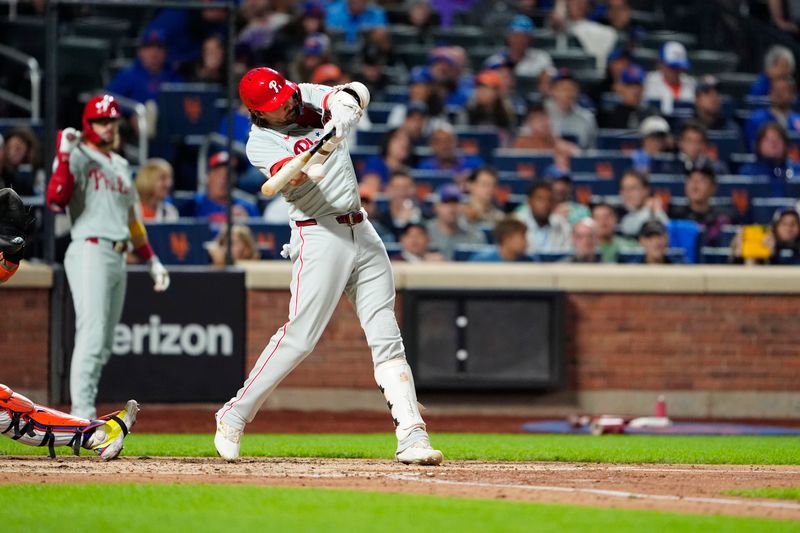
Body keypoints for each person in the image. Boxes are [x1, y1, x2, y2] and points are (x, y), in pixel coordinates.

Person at [215, 67, 443, 465]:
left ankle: (412, 434)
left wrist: (343, 111)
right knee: (300, 338)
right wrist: (312, 155)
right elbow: (293, 182)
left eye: (284, 96)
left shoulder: (301, 94)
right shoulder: (260, 144)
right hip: (318, 234)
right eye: (274, 105)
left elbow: (354, 92)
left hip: (362, 228)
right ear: (258, 113)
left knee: (386, 334)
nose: (285, 104)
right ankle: (233, 414)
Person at [45, 95, 171, 419]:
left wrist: (151, 258)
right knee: (92, 331)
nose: (108, 126)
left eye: (112, 121)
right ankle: (82, 414)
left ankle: (85, 411)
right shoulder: (77, 154)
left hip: (118, 253)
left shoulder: (119, 164)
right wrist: (63, 154)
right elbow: (56, 200)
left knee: (102, 342)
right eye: (102, 121)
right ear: (88, 125)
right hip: (89, 247)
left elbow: (132, 219)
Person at [106, 29, 183, 105]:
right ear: (140, 51)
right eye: (149, 47)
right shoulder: (128, 75)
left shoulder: (174, 77)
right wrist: (128, 115)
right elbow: (107, 101)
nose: (154, 54)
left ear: (166, 52)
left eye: (159, 47)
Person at [668, 163, 731, 247]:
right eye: (691, 179)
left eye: (702, 180)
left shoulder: (721, 218)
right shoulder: (674, 216)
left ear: (713, 187)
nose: (695, 185)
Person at [425, 183, 487, 260]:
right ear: (436, 207)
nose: (451, 208)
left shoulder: (475, 236)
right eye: (446, 203)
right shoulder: (424, 232)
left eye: (455, 203)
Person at [194, 151, 259, 223]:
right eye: (219, 174)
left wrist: (246, 224)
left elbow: (261, 231)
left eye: (228, 175)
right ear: (208, 176)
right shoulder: (194, 204)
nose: (224, 180)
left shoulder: (247, 207)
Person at [739, 122, 800, 197]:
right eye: (768, 139)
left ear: (785, 145)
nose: (774, 143)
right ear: (759, 145)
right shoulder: (747, 173)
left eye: (778, 139)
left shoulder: (797, 170)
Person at [485, 15, 553, 79]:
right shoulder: (496, 60)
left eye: (523, 37)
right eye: (516, 36)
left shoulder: (541, 58)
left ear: (530, 39)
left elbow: (551, 77)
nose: (519, 40)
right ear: (508, 37)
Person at [513, 181, 573, 255]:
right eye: (540, 199)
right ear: (529, 201)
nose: (545, 204)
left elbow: (567, 253)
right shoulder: (516, 223)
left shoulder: (562, 224)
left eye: (549, 199)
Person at [544, 68, 598, 149]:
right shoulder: (540, 114)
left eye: (571, 89)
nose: (567, 94)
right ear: (552, 91)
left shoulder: (587, 118)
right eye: (562, 89)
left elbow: (593, 150)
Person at [416, 123, 484, 186]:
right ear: (432, 145)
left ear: (456, 142)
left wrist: (469, 178)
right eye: (438, 142)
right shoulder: (424, 168)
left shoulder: (473, 164)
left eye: (448, 141)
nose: (444, 146)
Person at [744, 76, 800, 150]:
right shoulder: (756, 119)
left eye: (783, 90)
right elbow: (752, 148)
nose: (778, 94)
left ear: (793, 95)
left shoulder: (798, 119)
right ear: (769, 93)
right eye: (775, 90)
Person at [642, 41, 696, 114]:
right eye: (672, 67)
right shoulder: (648, 81)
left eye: (679, 67)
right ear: (661, 64)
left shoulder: (691, 83)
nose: (676, 71)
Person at [598, 64, 654, 130]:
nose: (635, 90)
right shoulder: (607, 116)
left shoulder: (651, 115)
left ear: (643, 88)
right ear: (619, 87)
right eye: (629, 85)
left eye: (638, 84)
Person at [617, 169, 669, 238]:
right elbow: (631, 228)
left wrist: (658, 211)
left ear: (646, 190)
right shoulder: (618, 213)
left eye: (633, 188)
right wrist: (647, 209)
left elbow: (667, 233)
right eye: (624, 188)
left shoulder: (661, 210)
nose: (627, 193)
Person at [374, 170, 424, 240]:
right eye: (397, 188)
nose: (402, 191)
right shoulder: (379, 221)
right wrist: (400, 223)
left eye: (406, 187)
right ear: (388, 190)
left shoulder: (425, 218)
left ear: (414, 189)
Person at [0, 127, 43, 196]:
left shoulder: (38, 171)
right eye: (8, 148)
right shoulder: (3, 174)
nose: (12, 153)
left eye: (18, 148)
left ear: (28, 150)